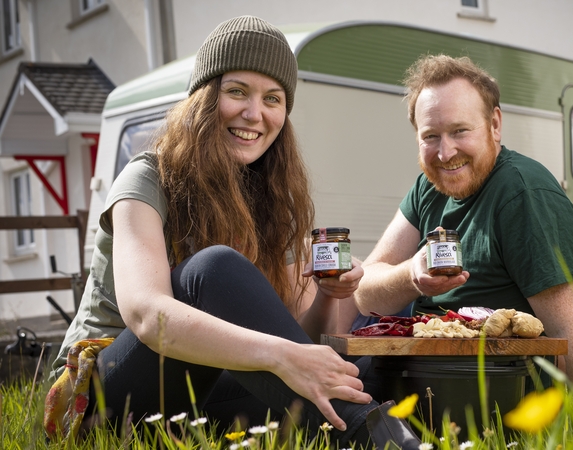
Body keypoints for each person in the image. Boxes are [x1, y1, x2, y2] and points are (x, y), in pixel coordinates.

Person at [44, 16, 420, 449]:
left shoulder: (269, 198)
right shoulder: (146, 179)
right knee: (212, 269)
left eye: (273, 99)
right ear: (204, 98)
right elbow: (147, 314)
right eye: (237, 91)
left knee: (360, 363)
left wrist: (327, 298)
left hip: (198, 395)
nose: (254, 113)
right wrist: (281, 355)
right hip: (105, 402)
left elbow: (302, 339)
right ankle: (369, 437)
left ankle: (397, 429)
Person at [354, 55, 573, 394]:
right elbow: (365, 294)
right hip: (416, 374)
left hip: (493, 389)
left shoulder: (523, 193)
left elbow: (569, 334)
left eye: (460, 131)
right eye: (430, 136)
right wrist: (411, 276)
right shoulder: (428, 187)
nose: (445, 153)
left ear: (494, 124)